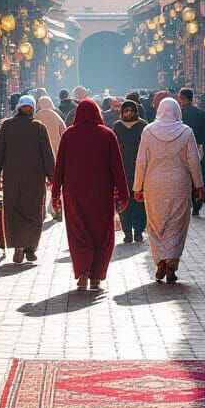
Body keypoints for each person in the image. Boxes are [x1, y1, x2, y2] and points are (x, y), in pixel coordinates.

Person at [50, 100, 129, 292]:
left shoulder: (69, 135)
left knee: (78, 231)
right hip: (101, 193)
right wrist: (123, 194)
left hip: (74, 193)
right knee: (101, 233)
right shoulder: (107, 135)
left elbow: (60, 166)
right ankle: (96, 276)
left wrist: (55, 193)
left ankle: (83, 271)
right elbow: (117, 167)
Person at [133, 97, 203, 284]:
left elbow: (141, 161)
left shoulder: (148, 131)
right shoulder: (186, 132)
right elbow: (193, 161)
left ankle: (160, 260)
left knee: (156, 223)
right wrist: (198, 184)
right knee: (177, 223)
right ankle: (171, 261)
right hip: (179, 183)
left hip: (153, 184)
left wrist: (137, 186)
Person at [0, 95, 56, 263]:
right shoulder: (38, 127)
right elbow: (47, 155)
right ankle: (30, 247)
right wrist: (51, 176)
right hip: (34, 178)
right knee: (33, 211)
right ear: (31, 108)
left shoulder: (7, 126)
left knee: (15, 211)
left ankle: (19, 246)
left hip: (13, 178)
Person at [112, 100, 148, 243]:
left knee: (139, 201)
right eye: (125, 111)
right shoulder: (117, 126)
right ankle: (127, 232)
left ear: (135, 112)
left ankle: (138, 231)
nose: (128, 114)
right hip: (122, 169)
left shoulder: (143, 126)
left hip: (140, 168)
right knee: (124, 200)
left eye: (131, 111)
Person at [177, 87, 205, 215]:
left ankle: (186, 205)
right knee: (199, 176)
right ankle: (197, 205)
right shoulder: (201, 113)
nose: (179, 100)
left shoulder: (179, 113)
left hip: (181, 150)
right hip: (199, 149)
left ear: (184, 99)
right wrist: (204, 146)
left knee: (184, 177)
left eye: (180, 98)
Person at [35, 96, 68, 221]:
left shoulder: (37, 117)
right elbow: (64, 133)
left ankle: (42, 211)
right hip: (56, 153)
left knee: (41, 184)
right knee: (56, 183)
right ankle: (57, 209)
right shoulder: (56, 116)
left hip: (40, 155)